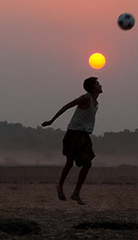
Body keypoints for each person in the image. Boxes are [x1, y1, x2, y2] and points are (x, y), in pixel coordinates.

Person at [41, 77, 102, 205]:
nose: (100, 85)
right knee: (69, 162)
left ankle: (76, 193)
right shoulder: (86, 98)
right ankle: (60, 186)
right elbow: (67, 106)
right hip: (74, 133)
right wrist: (51, 121)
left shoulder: (95, 103)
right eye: (97, 83)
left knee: (87, 163)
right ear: (92, 87)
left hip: (84, 135)